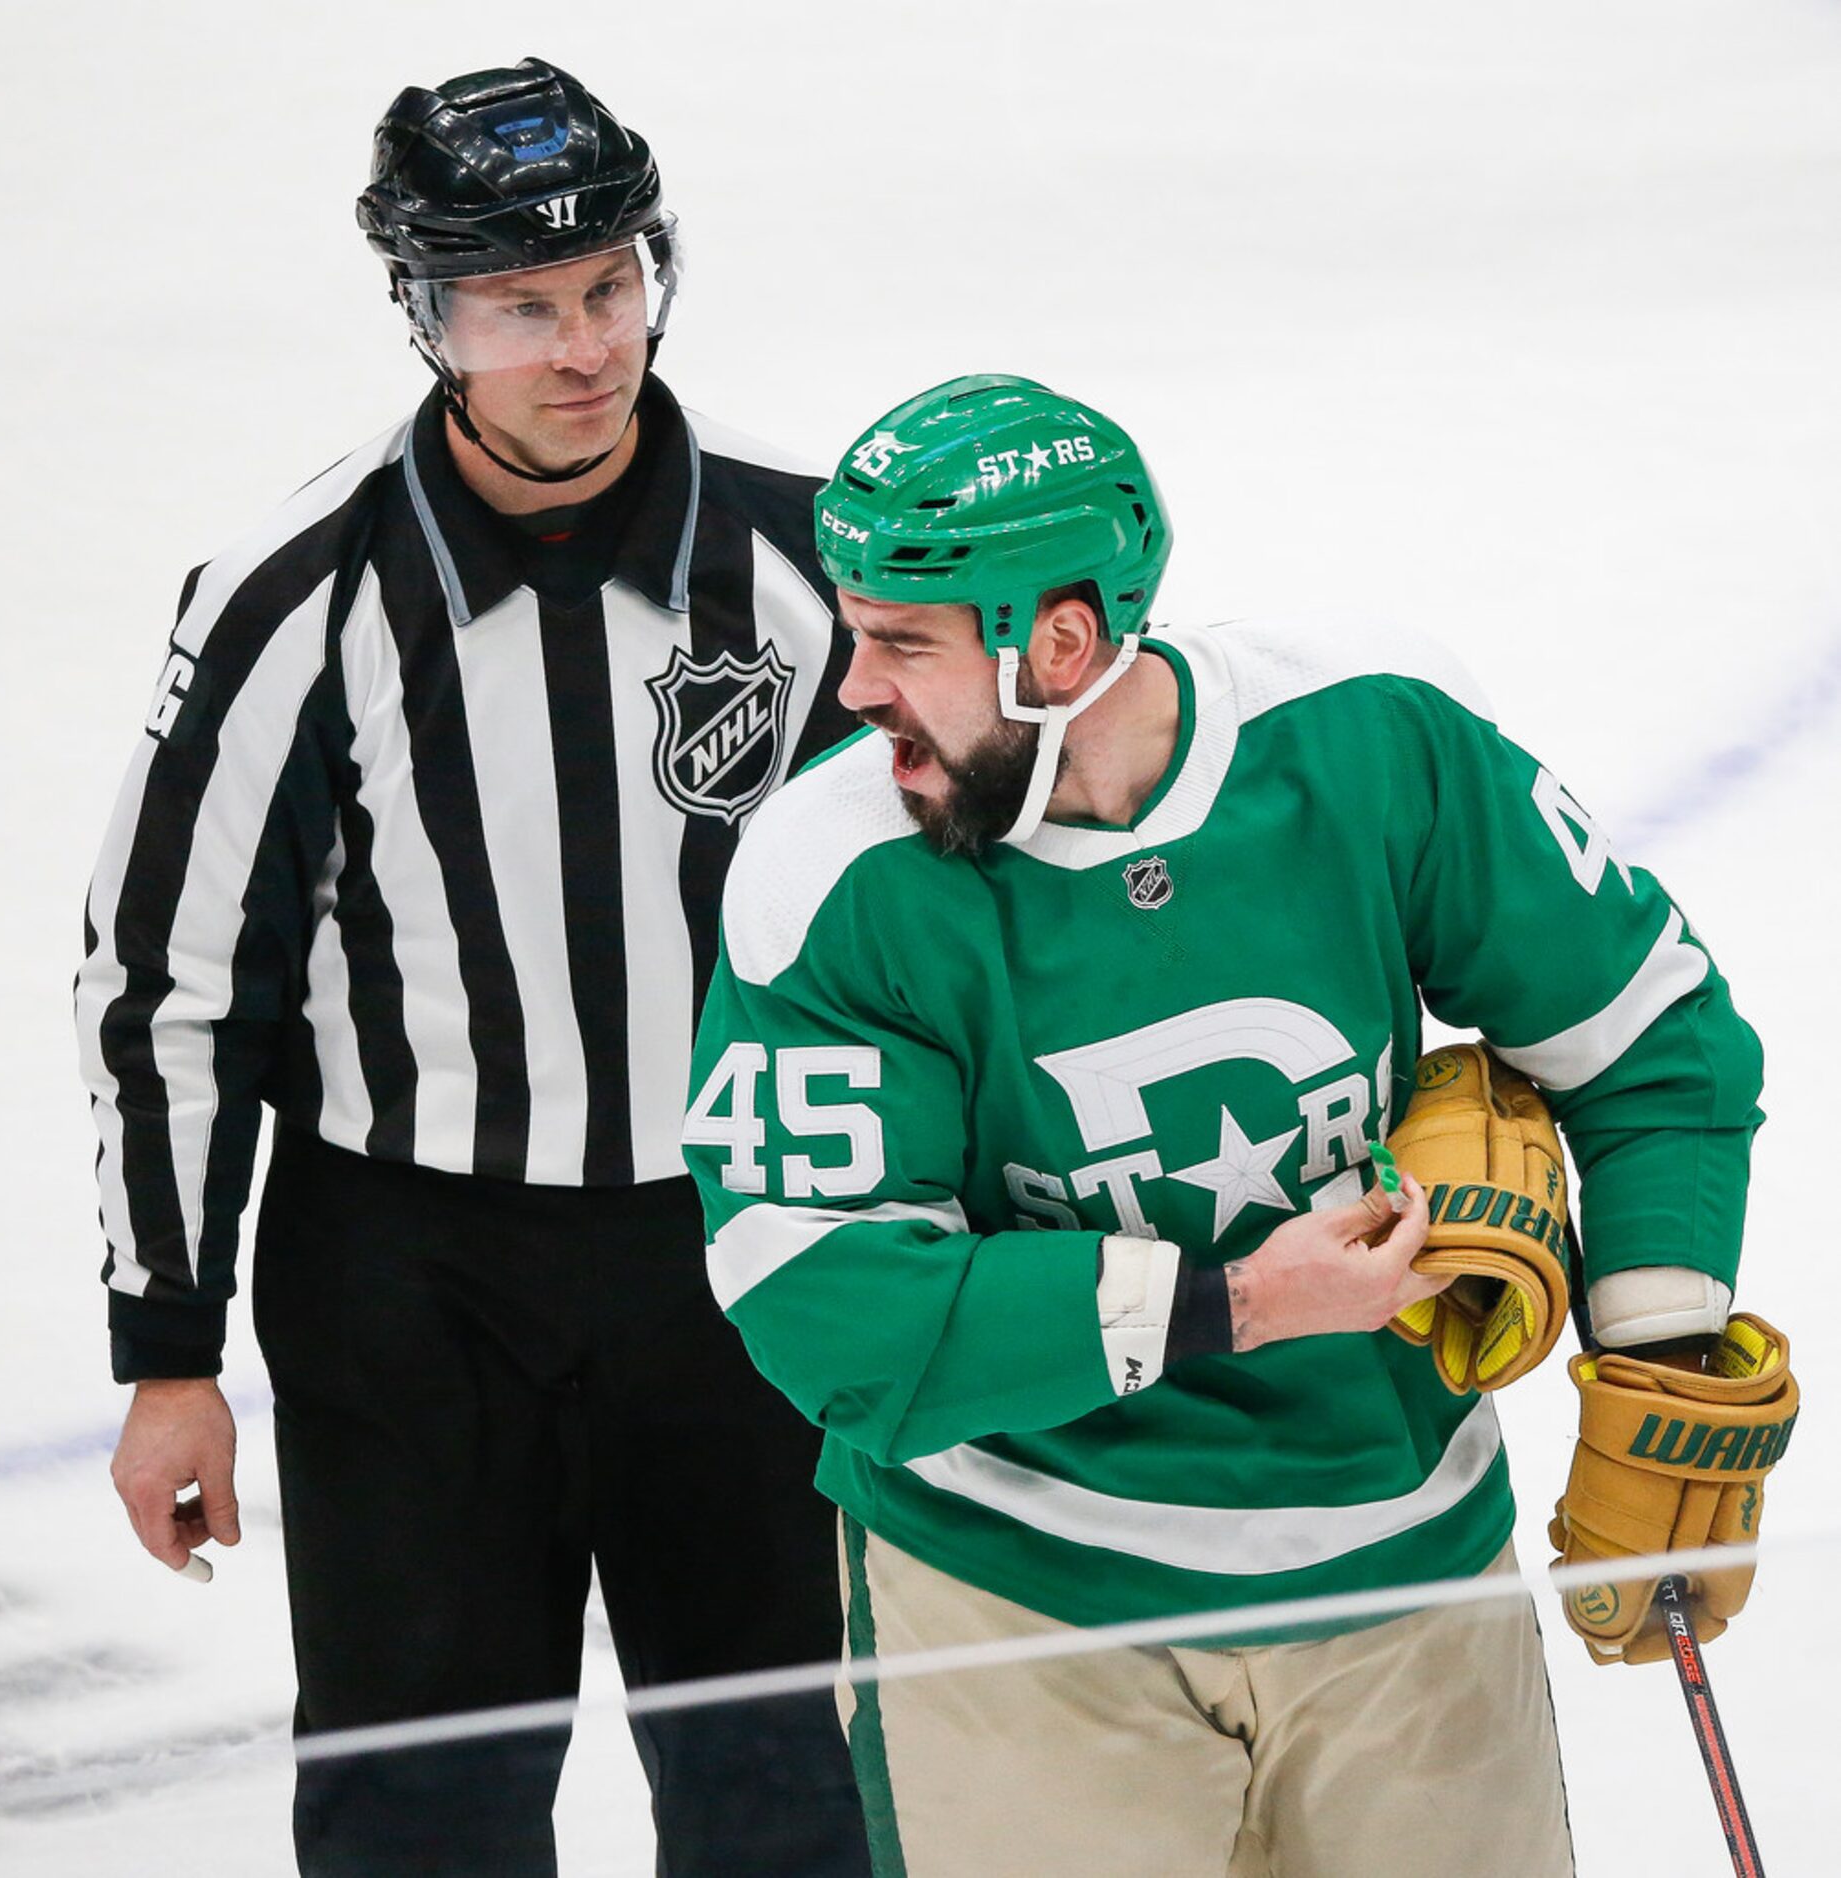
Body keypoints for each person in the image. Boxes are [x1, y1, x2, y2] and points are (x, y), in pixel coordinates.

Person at [680, 373, 1789, 1875]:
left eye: (901, 643)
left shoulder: (1371, 740)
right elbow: (830, 1311)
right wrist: (1250, 1299)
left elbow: (1651, 1037)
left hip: (1405, 1567)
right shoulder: (834, 872)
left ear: (1056, 645)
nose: (854, 686)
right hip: (1020, 1601)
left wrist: (1656, 1340)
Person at [76, 56, 870, 1878]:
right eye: (524, 304)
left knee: (795, 1801)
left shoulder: (815, 573)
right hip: (412, 1295)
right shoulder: (292, 599)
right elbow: (172, 985)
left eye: (612, 286)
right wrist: (168, 1352)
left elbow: (941, 934)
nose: (587, 345)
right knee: (417, 1813)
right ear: (428, 315)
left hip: (748, 1266)